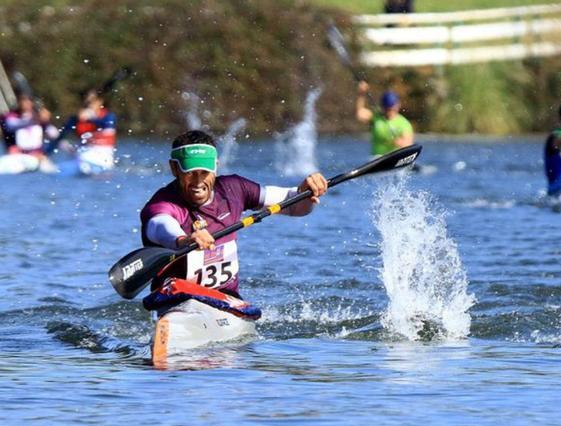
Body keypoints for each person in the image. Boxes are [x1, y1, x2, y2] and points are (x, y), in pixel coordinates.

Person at [139, 130, 328, 297]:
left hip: (225, 301)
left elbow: (295, 206)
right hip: (174, 298)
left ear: (216, 166)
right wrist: (184, 240)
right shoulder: (163, 203)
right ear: (174, 169)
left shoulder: (233, 189)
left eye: (204, 172)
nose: (198, 181)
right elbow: (159, 225)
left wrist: (305, 192)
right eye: (190, 172)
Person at [52, 87, 118, 175]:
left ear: (100, 102)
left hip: (103, 158)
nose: (89, 105)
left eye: (92, 102)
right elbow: (60, 137)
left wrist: (90, 118)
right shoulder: (76, 119)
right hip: (82, 156)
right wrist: (44, 154)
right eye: (87, 102)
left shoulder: (109, 117)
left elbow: (107, 126)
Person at [0, 92, 58, 173]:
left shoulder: (40, 118)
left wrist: (47, 121)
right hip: (16, 157)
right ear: (18, 102)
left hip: (38, 158)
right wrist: (36, 119)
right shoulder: (9, 116)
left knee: (51, 170)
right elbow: (11, 125)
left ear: (32, 103)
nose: (25, 103)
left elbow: (55, 134)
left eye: (28, 100)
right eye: (23, 100)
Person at [355, 81, 414, 157]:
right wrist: (361, 94)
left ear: (398, 105)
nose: (389, 112)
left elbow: (409, 145)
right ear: (383, 107)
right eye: (387, 109)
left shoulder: (404, 124)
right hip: (376, 158)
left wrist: (400, 143)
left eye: (392, 109)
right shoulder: (376, 117)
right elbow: (360, 114)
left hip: (395, 158)